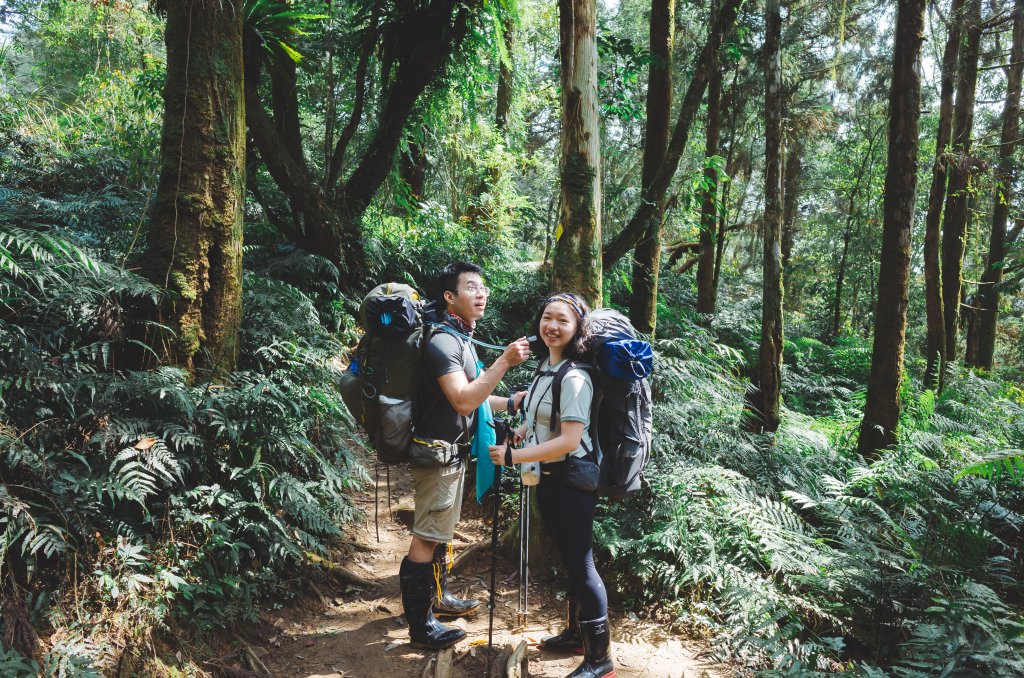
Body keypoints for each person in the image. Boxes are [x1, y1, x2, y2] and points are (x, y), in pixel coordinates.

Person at [400, 262, 531, 650]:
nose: (481, 293)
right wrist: (504, 361)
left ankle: (437, 600)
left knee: (439, 534)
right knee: (427, 537)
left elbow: (475, 396)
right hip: (437, 454)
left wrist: (511, 401)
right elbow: (462, 401)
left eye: (483, 287)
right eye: (471, 287)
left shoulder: (461, 339)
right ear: (449, 297)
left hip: (452, 454)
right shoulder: (442, 341)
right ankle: (421, 627)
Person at [489, 292, 615, 678]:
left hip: (573, 481)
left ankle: (600, 660)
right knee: (569, 558)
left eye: (563, 320)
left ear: (577, 328)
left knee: (581, 563)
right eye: (547, 318)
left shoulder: (575, 377)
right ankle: (577, 636)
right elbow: (539, 422)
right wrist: (517, 435)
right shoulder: (546, 368)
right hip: (550, 478)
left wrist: (514, 458)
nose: (552, 326)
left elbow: (570, 440)